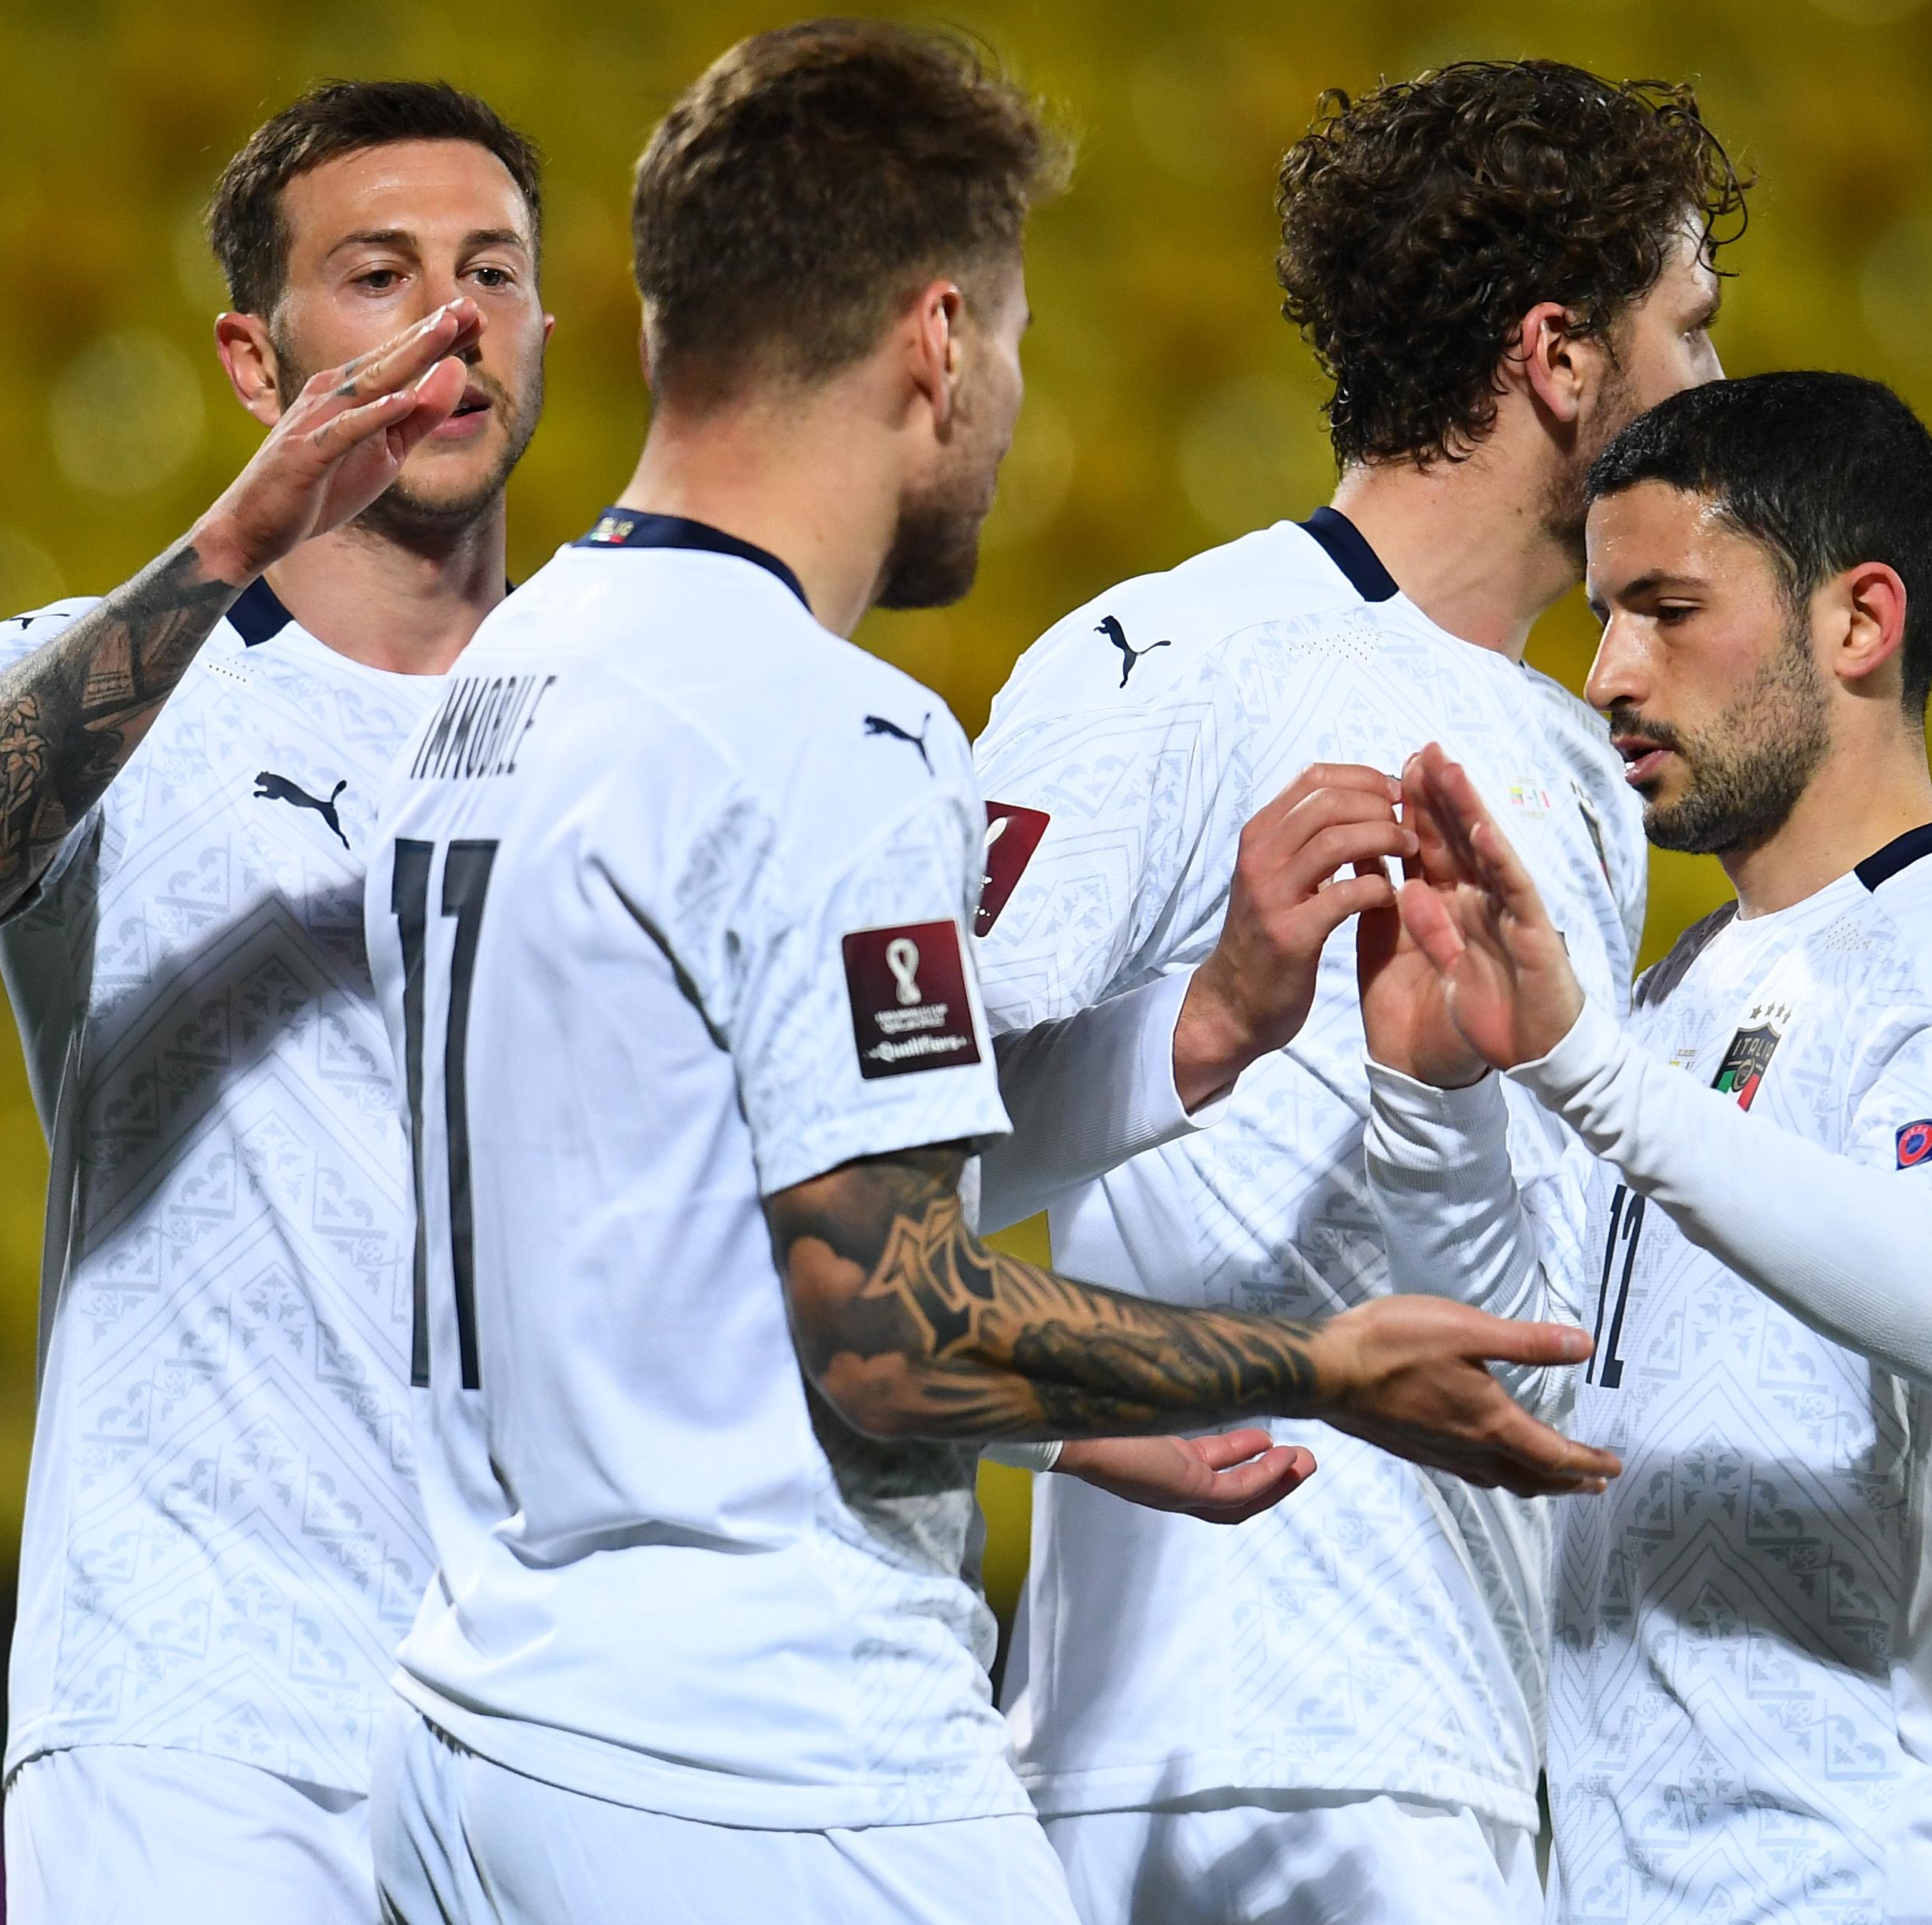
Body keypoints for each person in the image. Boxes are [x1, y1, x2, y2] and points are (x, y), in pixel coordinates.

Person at [357, 25, 1618, 1924]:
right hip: (762, 1751)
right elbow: (887, 1330)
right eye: (1013, 341)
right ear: (937, 340)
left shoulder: (500, 686)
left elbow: (737, 1184)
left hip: (476, 1719)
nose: (1013, 402)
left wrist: (1193, 1030)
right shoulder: (829, 734)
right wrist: (1322, 1366)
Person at [966, 62, 1747, 1923]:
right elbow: (860, 1180)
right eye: (1691, 329)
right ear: (1562, 356)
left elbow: (1508, 1288)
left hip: (1452, 1746)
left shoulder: (1576, 760)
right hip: (1212, 1761)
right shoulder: (1163, 660)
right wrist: (1061, 1414)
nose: (1715, 393)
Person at [0, 80, 554, 1925]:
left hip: (558, 1715)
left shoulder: (626, 722)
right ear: (258, 358)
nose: (451, 320)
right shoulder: (111, 684)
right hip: (196, 1709)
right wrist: (233, 542)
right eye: (380, 273)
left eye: (493, 271)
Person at [1362, 371, 1932, 1923]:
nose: (1607, 676)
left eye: (1667, 608)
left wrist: (1592, 1075)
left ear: (1859, 623)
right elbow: (1547, 1383)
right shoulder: (1680, 990)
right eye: (1600, 615)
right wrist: (1436, 1099)